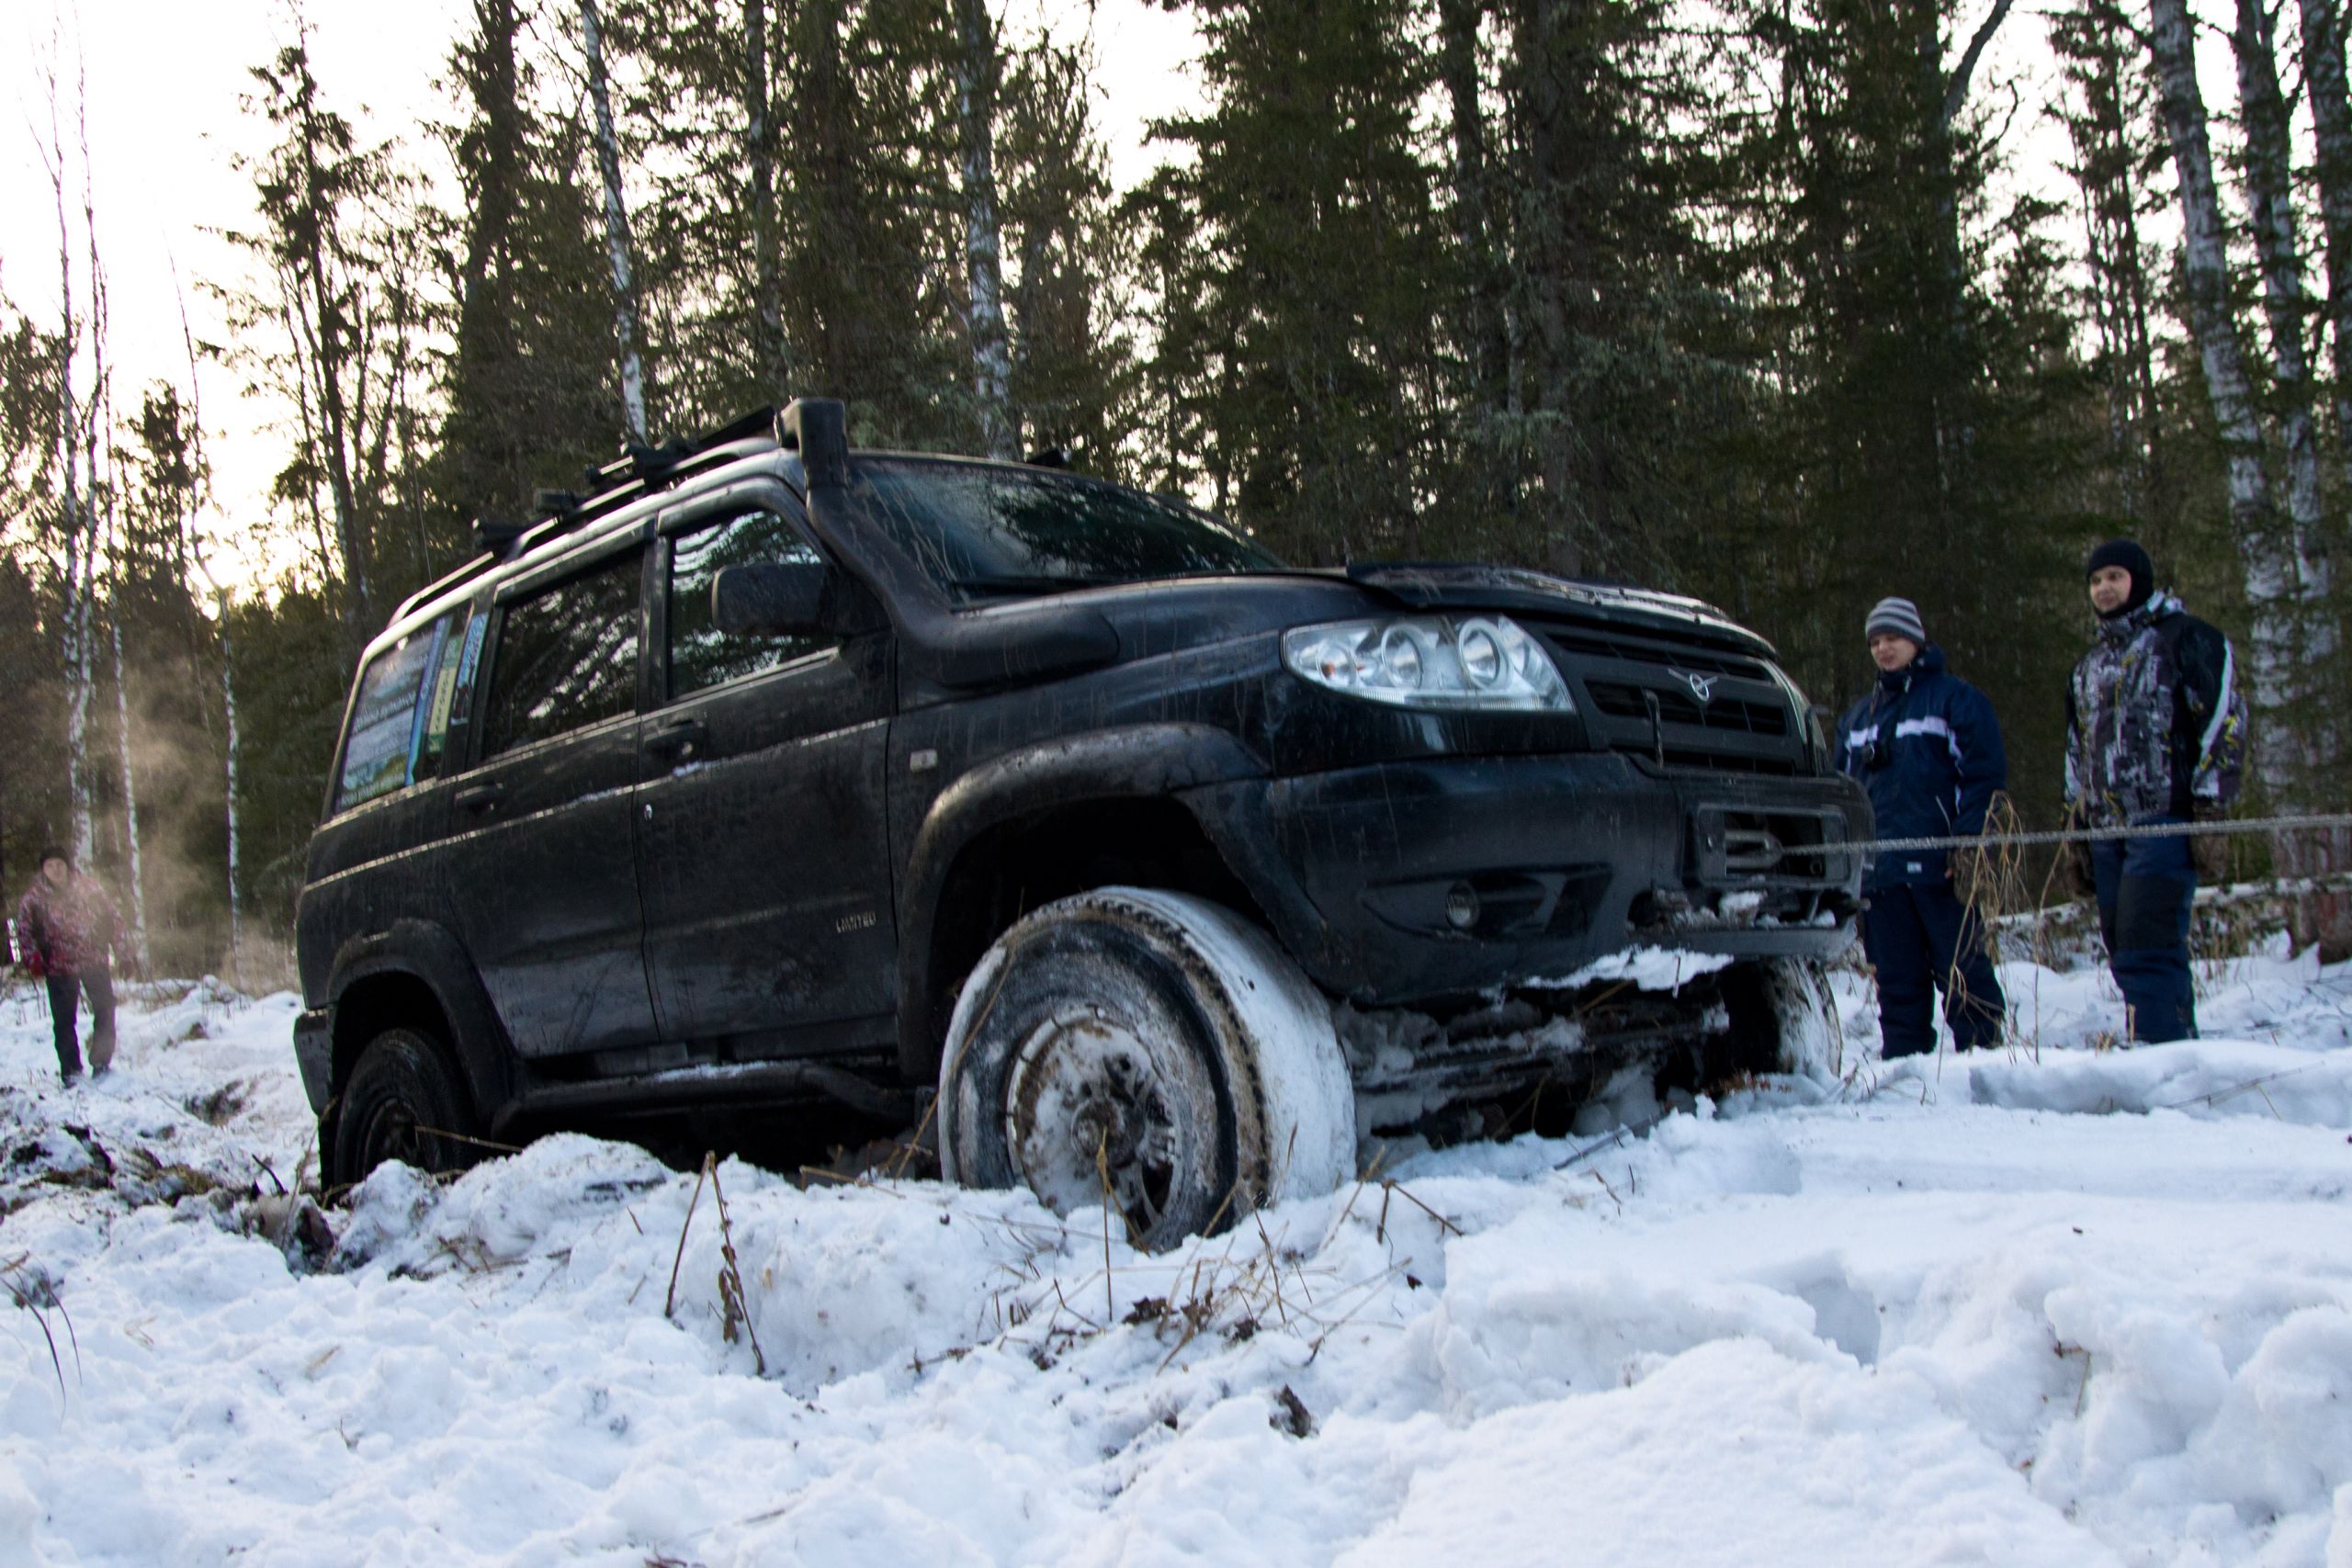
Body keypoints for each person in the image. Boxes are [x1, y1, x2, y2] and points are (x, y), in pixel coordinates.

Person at [2063, 539, 2245, 1043]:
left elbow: (2224, 723)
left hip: (2164, 818)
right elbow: (2076, 751)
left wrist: (2210, 809)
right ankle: (2159, 1048)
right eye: (2096, 581)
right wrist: (2074, 829)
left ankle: (2164, 1055)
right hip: (2105, 827)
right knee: (2122, 949)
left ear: (2139, 580)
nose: (2104, 589)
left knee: (2151, 945)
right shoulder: (2088, 666)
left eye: (2114, 577)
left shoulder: (2187, 638)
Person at [1835, 597, 2009, 1056]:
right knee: (1896, 979)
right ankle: (1905, 1068)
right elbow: (1841, 795)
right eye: (1874, 642)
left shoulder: (1956, 700)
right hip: (1882, 873)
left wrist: (1969, 844)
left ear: (1915, 639)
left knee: (1963, 968)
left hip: (1941, 869)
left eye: (1892, 638)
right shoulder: (1856, 718)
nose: (1883, 649)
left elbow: (1983, 777)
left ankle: (1987, 1061)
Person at [14, 845, 122, 1085]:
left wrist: (123, 952)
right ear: (43, 869)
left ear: (68, 866)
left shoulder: (89, 888)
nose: (56, 870)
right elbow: (24, 930)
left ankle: (102, 1062)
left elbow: (112, 918)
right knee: (64, 1020)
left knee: (105, 1009)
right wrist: (32, 958)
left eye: (60, 864)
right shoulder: (33, 898)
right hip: (58, 965)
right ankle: (71, 1072)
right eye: (50, 865)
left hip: (93, 959)